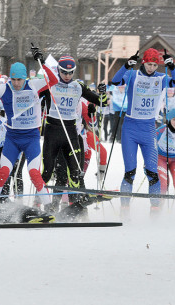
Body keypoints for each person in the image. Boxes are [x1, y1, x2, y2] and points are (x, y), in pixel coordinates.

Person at [0, 47, 57, 212]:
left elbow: (53, 80)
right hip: (12, 139)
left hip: (31, 138)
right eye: (14, 79)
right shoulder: (5, 88)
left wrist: (43, 62)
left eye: (19, 80)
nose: (16, 83)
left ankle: (48, 207)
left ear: (25, 77)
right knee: (3, 173)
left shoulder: (34, 85)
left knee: (34, 173)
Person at [111, 48, 175, 218]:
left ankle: (155, 209)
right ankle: (125, 208)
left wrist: (171, 66)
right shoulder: (133, 75)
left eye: (154, 65)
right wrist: (126, 65)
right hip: (130, 127)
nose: (151, 68)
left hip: (149, 128)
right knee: (130, 171)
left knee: (152, 172)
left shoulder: (161, 78)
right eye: (149, 64)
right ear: (143, 62)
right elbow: (115, 81)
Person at [39, 55, 108, 211]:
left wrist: (102, 93)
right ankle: (44, 205)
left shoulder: (78, 87)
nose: (67, 76)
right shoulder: (51, 84)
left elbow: (101, 102)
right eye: (64, 72)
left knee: (75, 173)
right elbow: (32, 94)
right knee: (48, 172)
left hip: (71, 133)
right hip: (53, 132)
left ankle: (75, 206)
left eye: (71, 73)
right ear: (58, 70)